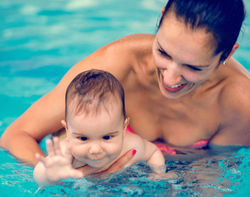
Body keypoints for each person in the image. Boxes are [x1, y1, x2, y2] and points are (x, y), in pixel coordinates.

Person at [0, 0, 249, 175]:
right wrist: (55, 171)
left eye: (193, 68)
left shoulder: (240, 102)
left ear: (228, 53)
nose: (171, 79)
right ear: (161, 18)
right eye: (163, 52)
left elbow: (215, 175)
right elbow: (15, 135)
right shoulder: (115, 65)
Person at [33, 69, 168, 186]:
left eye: (107, 137)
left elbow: (153, 152)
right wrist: (49, 176)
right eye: (83, 138)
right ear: (68, 131)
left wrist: (158, 174)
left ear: (124, 128)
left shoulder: (133, 146)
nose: (95, 149)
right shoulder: (66, 154)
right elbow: (39, 175)